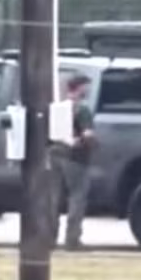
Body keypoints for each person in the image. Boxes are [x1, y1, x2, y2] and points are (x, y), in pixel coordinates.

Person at [51, 74, 95, 250]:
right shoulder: (82, 109)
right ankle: (72, 240)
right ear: (80, 87)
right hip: (76, 158)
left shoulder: (59, 106)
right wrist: (94, 145)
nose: (89, 90)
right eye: (87, 86)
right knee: (77, 197)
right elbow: (87, 135)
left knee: (53, 199)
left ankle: (48, 239)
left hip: (55, 155)